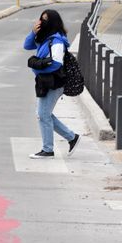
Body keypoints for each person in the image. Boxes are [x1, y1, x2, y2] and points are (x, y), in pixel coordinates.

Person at [24, 9, 80, 159]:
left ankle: (48, 149)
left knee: (43, 114)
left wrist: (39, 65)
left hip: (53, 82)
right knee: (44, 114)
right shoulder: (45, 38)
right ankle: (71, 137)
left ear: (53, 22)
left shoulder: (56, 40)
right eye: (41, 19)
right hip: (45, 81)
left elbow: (56, 63)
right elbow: (27, 45)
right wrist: (33, 32)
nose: (42, 22)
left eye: (46, 20)